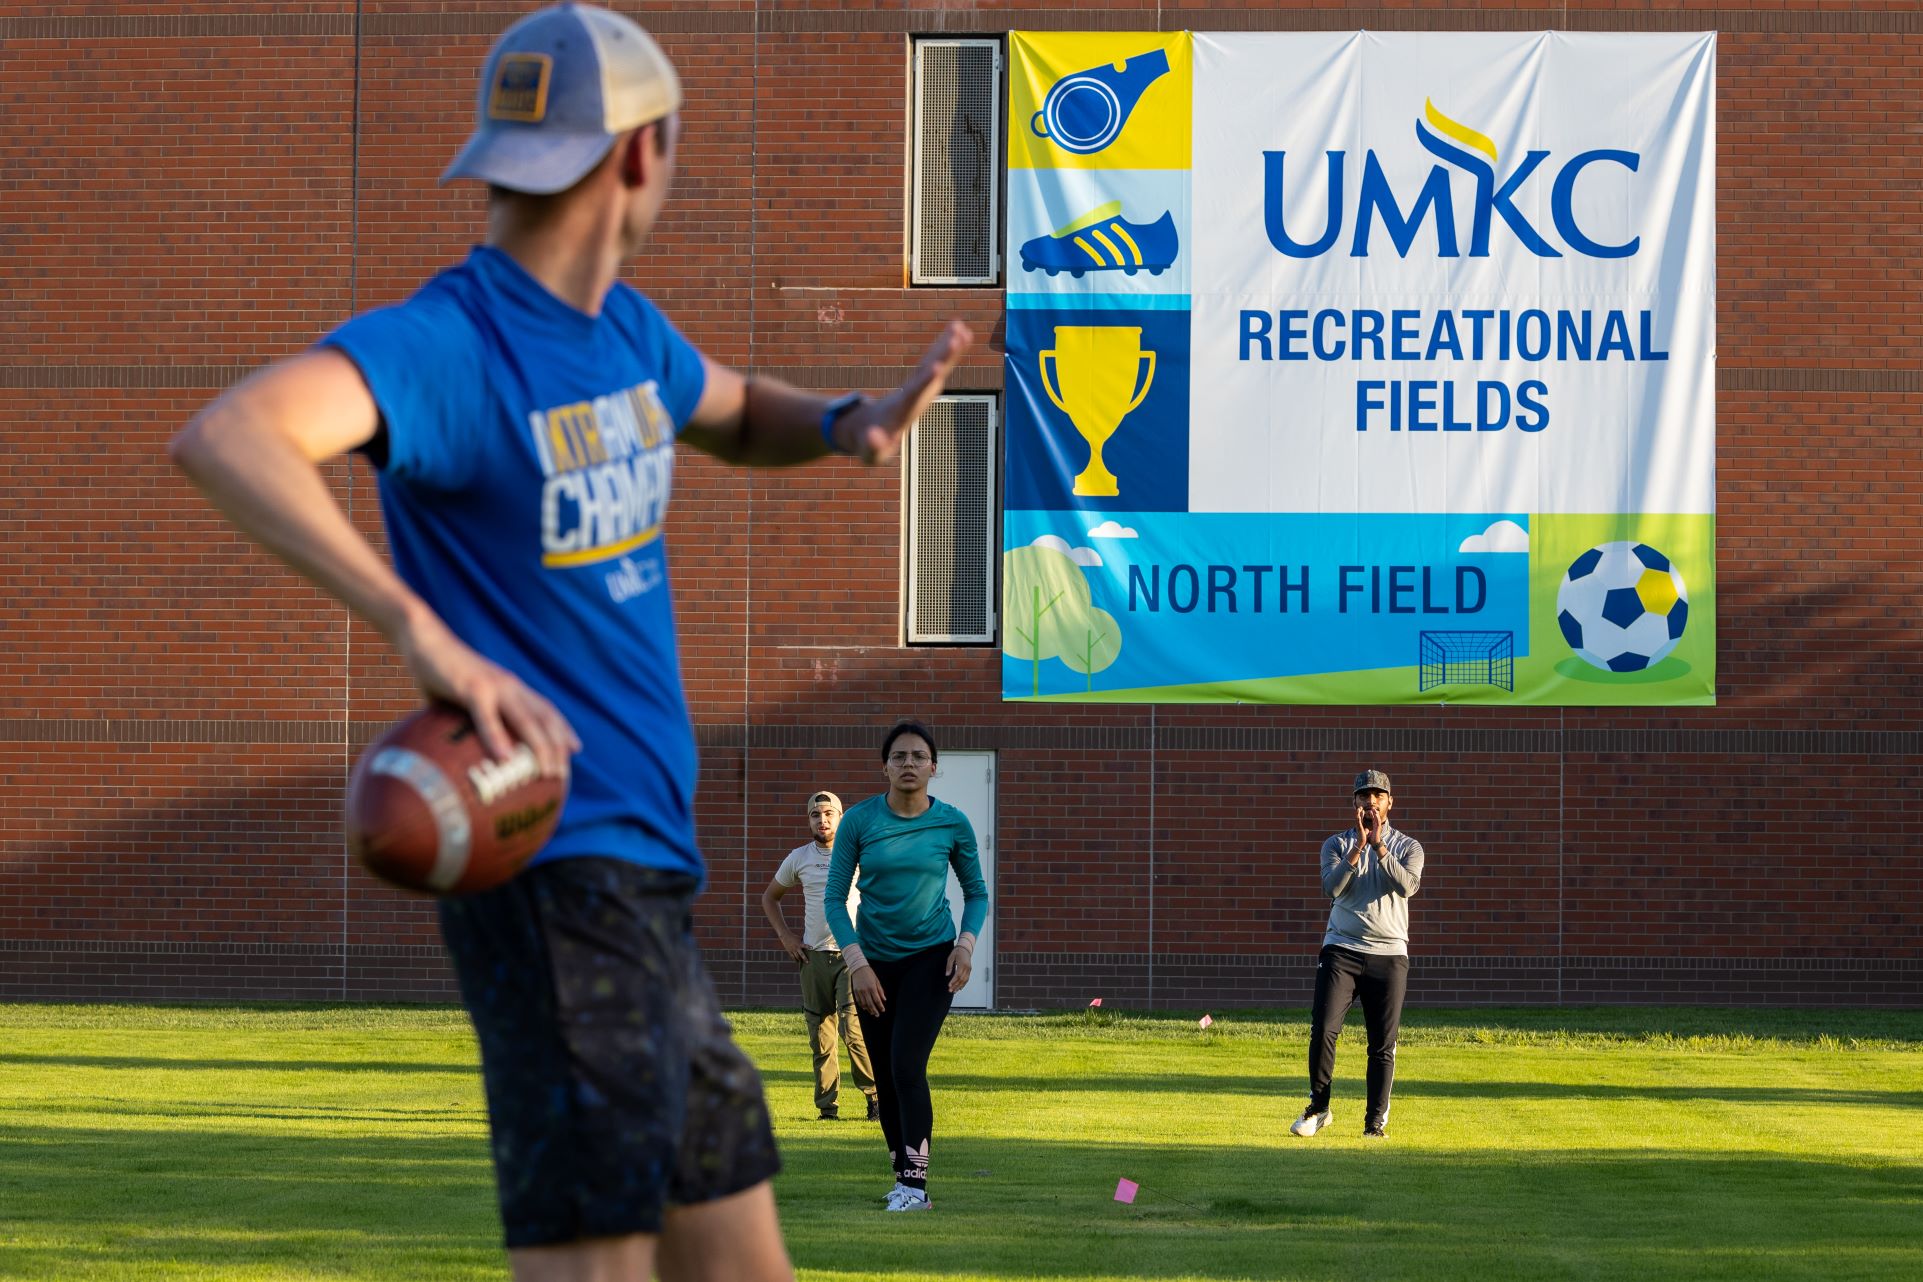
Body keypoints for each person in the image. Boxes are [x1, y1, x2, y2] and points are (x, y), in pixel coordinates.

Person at [168, 5, 972, 1277]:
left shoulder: (628, 336)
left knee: (741, 1259)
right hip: (552, 871)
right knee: (592, 1258)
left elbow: (731, 405)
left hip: (648, 885)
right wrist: (419, 632)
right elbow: (229, 435)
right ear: (643, 155)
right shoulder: (448, 341)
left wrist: (849, 422)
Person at [824, 721, 988, 1212]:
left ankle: (916, 1187)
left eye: (919, 756)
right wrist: (857, 964)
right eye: (899, 757)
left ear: (934, 767)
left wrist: (964, 946)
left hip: (931, 959)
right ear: (885, 767)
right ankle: (902, 1178)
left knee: (906, 1066)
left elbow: (976, 892)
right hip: (872, 963)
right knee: (886, 1075)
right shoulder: (858, 820)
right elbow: (835, 900)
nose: (909, 764)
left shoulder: (952, 823)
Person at [1290, 769, 1425, 1141]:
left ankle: (1374, 1123)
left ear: (1389, 803)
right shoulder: (1336, 844)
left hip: (1390, 955)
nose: (1371, 802)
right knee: (1323, 1030)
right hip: (1341, 951)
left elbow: (1408, 886)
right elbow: (1330, 887)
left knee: (1382, 1044)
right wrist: (1358, 849)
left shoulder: (1408, 846)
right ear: (1354, 804)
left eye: (1378, 796)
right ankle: (1319, 1107)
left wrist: (1380, 846)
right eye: (1364, 796)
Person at [761, 790, 879, 1122]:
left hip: (852, 958)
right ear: (809, 820)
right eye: (816, 815)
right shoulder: (798, 858)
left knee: (854, 1030)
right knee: (821, 1036)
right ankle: (828, 1109)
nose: (822, 820)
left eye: (829, 813)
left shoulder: (859, 855)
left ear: (841, 817)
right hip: (812, 958)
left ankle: (874, 1097)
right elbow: (770, 898)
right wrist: (786, 937)